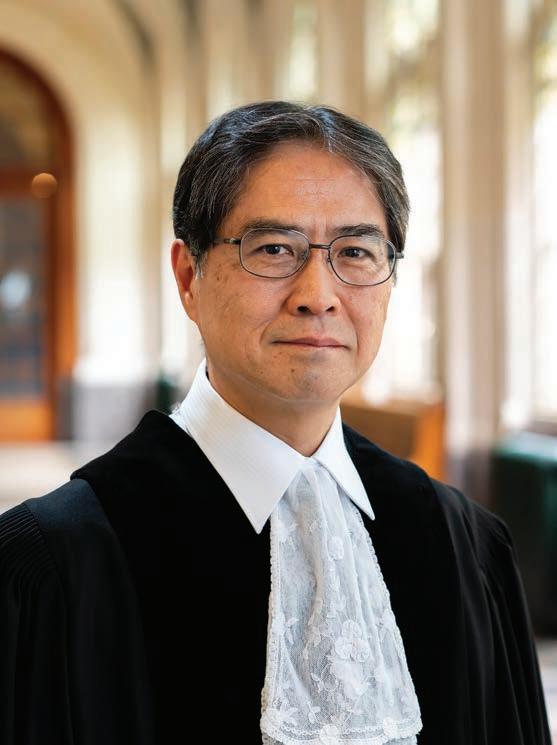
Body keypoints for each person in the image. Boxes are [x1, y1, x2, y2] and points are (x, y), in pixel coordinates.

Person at [0, 101, 551, 745]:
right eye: (273, 249)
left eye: (356, 252)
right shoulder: (53, 564)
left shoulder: (466, 545)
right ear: (189, 277)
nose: (317, 295)